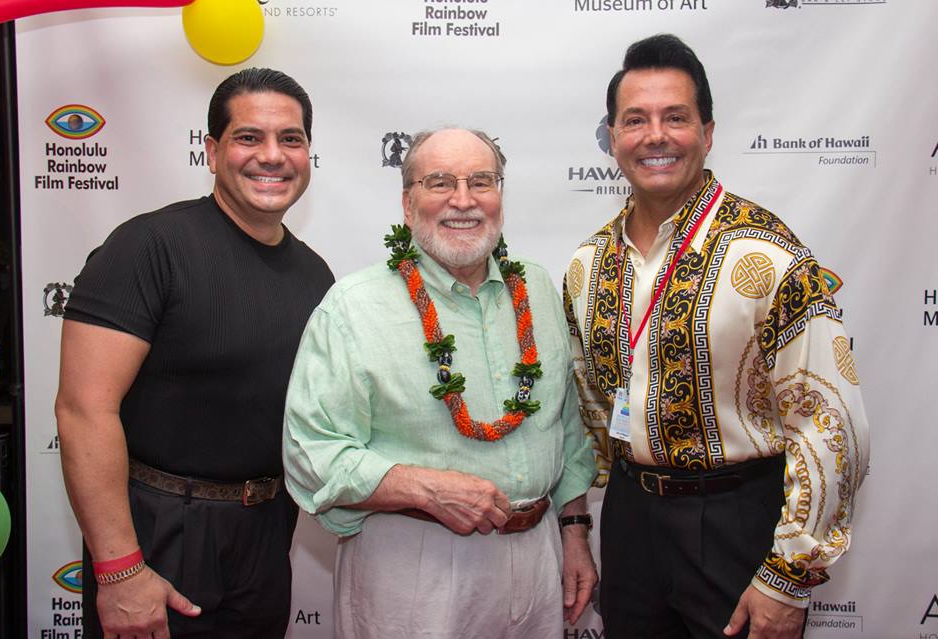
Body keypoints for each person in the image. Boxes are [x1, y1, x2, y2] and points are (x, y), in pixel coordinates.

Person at [564, 35, 869, 639]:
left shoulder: (768, 252)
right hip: (631, 520)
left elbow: (831, 421)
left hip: (738, 523)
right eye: (635, 120)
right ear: (612, 137)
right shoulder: (588, 263)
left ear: (707, 131)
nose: (656, 135)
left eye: (675, 117)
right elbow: (586, 409)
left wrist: (789, 572)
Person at [283, 127, 598, 638]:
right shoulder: (353, 308)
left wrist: (575, 532)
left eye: (481, 181)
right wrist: (427, 489)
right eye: (439, 183)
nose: (463, 200)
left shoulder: (537, 289)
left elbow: (566, 431)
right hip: (414, 568)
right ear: (407, 204)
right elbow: (310, 453)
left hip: (539, 559)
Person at [55, 67, 334, 639]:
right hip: (159, 536)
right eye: (248, 137)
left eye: (292, 139)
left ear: (308, 152)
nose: (272, 156)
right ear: (212, 151)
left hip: (266, 535)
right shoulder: (148, 247)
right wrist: (119, 569)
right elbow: (84, 411)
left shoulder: (315, 274)